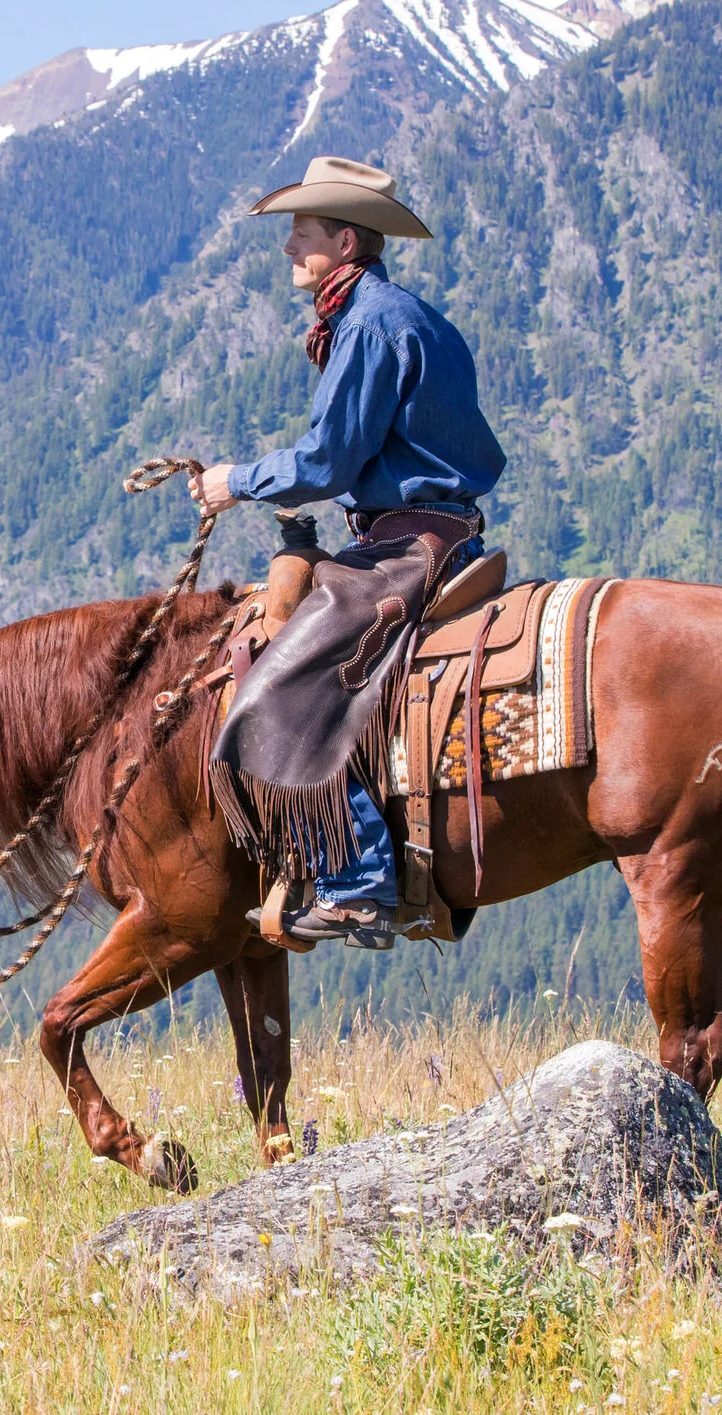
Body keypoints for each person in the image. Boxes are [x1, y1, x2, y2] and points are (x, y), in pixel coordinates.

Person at [196, 157, 505, 947]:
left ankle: (360, 874)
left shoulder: (369, 323)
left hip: (409, 542)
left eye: (301, 231)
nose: (288, 246)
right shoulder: (403, 314)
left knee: (287, 675)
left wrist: (239, 481)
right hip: (435, 527)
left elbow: (331, 459)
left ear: (343, 239)